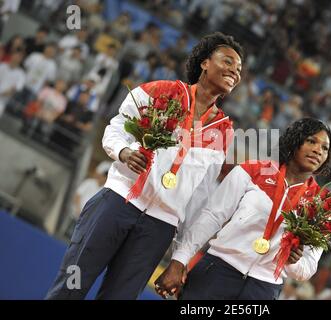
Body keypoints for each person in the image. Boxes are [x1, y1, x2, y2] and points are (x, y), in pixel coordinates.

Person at [45, 32, 244, 300]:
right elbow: (115, 128)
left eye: (239, 69)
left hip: (159, 227)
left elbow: (201, 197)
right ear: (205, 63)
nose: (235, 71)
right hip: (118, 202)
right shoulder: (161, 91)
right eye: (228, 62)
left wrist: (180, 258)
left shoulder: (223, 131)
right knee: (70, 288)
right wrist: (124, 152)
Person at [155, 118, 331, 300]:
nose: (318, 150)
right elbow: (212, 216)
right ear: (295, 140)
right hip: (217, 272)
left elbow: (306, 270)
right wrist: (180, 259)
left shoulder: (320, 205)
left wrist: (292, 262)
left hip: (263, 290)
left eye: (325, 148)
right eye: (311, 141)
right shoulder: (253, 170)